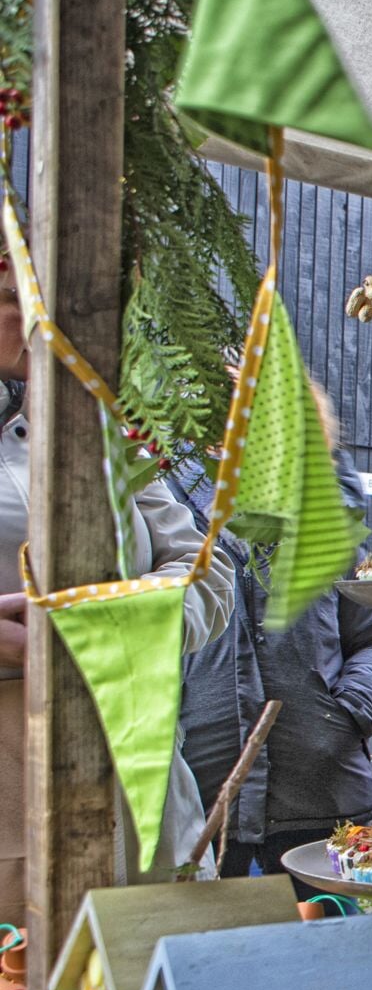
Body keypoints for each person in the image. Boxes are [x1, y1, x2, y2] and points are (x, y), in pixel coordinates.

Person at [0, 271, 235, 919]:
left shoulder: (97, 421)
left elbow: (205, 570)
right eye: (7, 294)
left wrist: (120, 622)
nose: (26, 314)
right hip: (15, 811)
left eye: (33, 294)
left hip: (146, 810)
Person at [172, 444, 372, 887]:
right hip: (197, 800)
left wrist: (348, 712)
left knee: (325, 945)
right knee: (208, 952)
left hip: (320, 796)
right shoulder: (163, 523)